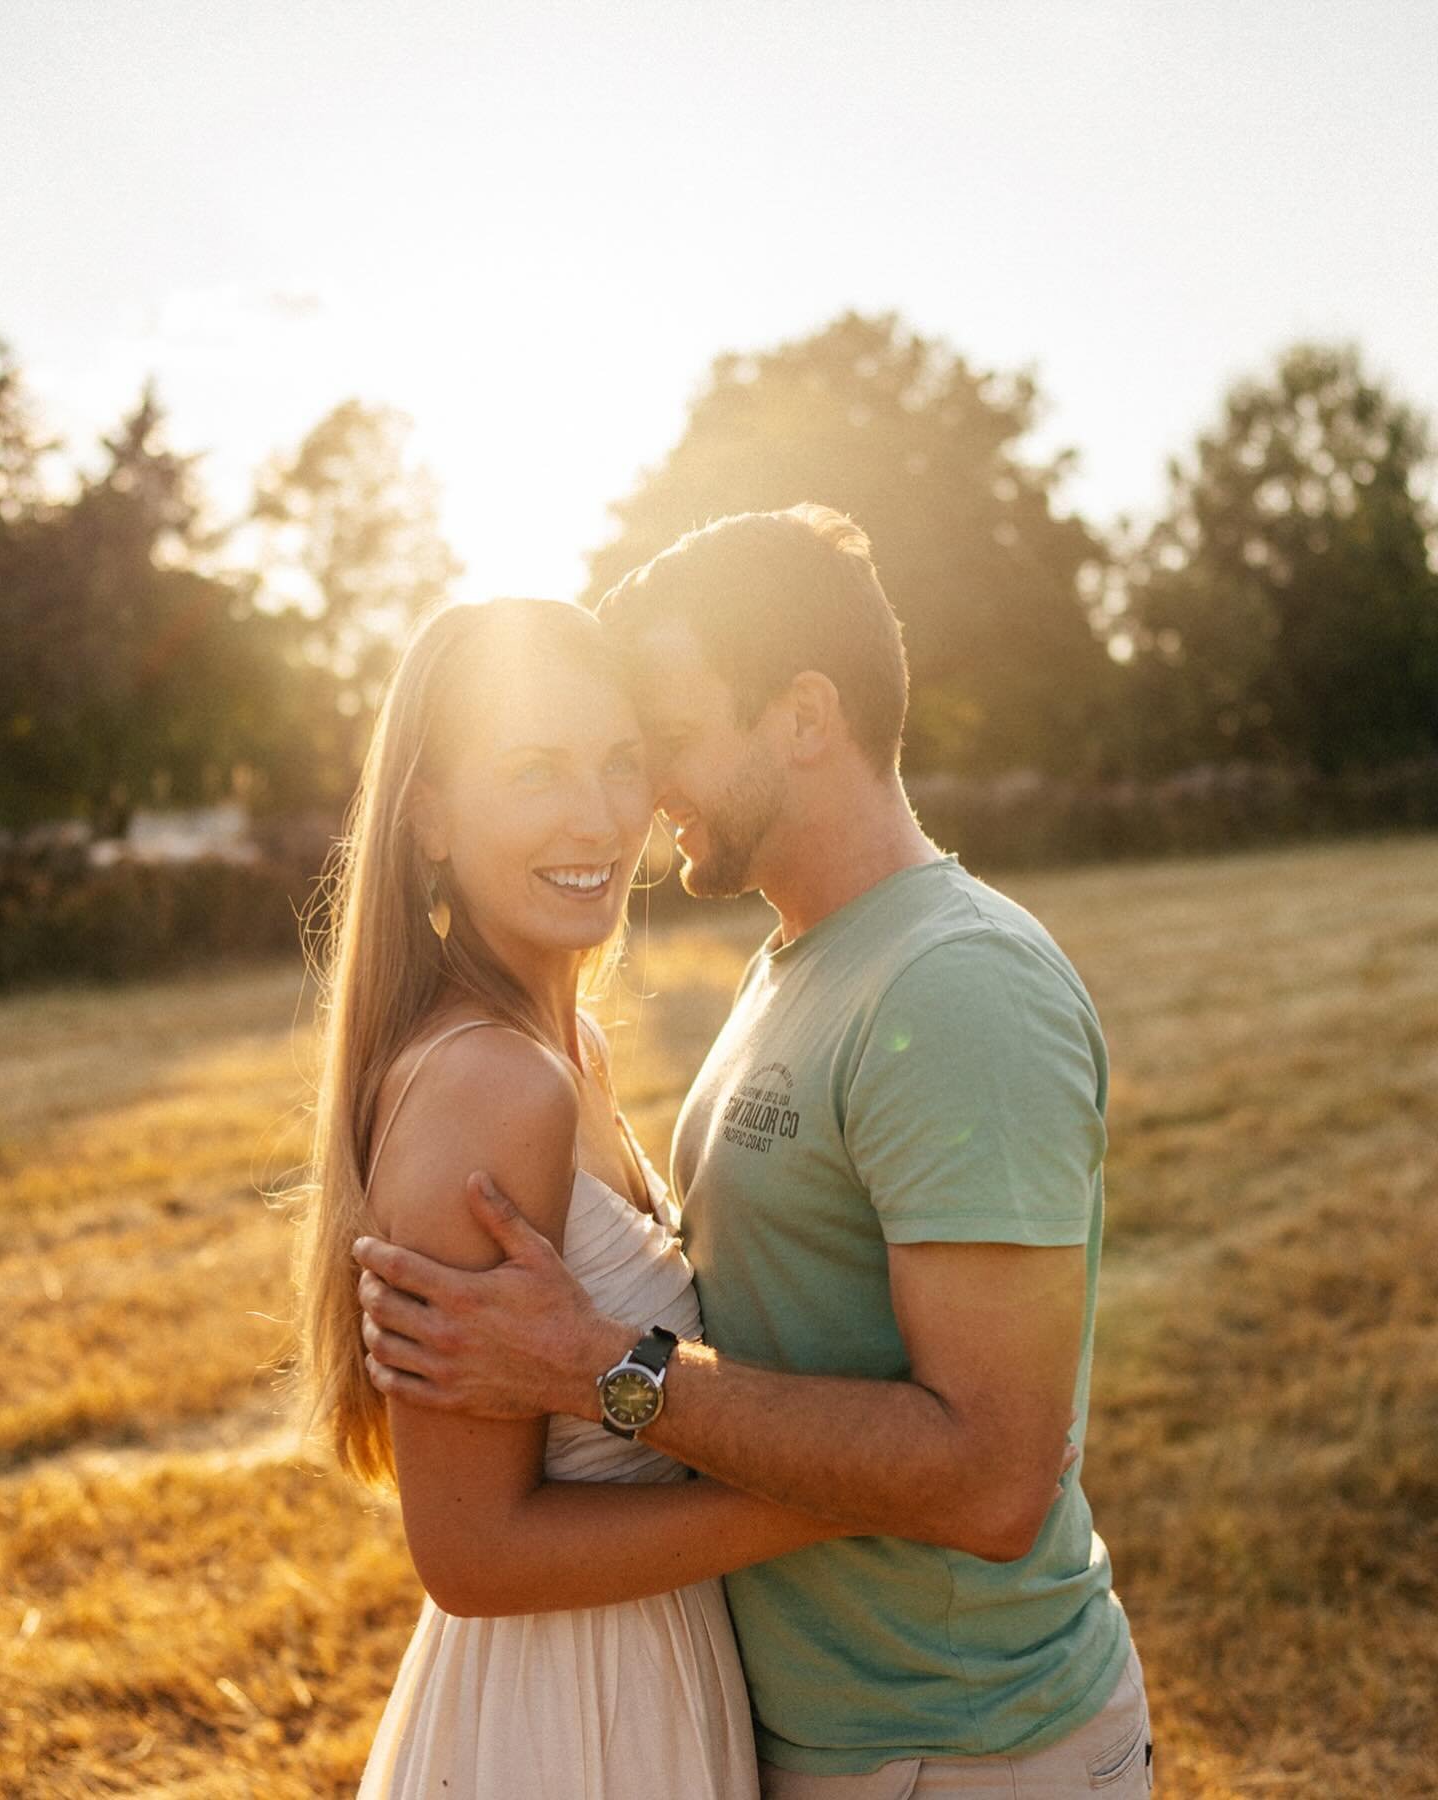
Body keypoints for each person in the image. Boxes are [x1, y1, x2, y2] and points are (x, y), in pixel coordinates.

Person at [354, 507, 1153, 1797]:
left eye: (656, 744)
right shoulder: (798, 969)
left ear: (801, 717)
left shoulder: (955, 985)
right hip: (796, 1730)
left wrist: (598, 1365)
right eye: (554, 764)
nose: (637, 798)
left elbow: (995, 1482)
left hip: (961, 1748)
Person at [294, 596, 882, 1800]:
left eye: (621, 762)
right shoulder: (491, 1083)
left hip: (650, 1668)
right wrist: (834, 1494)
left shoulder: (569, 1055)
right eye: (534, 771)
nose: (599, 815)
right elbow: (472, 1554)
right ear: (431, 818)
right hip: (567, 1717)